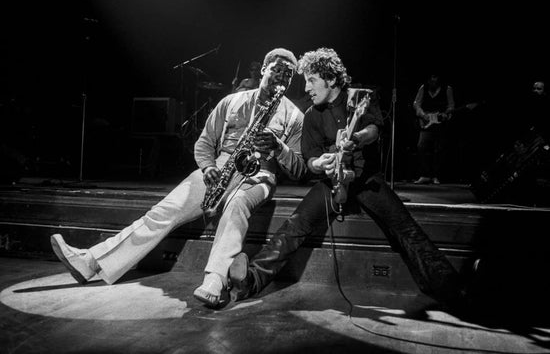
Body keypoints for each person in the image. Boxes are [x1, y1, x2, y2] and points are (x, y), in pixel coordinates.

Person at [49, 48, 307, 308]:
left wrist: (278, 148)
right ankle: (91, 262)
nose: (281, 78)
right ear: (263, 69)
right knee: (162, 212)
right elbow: (205, 143)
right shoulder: (231, 101)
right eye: (277, 70)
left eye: (288, 75)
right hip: (221, 165)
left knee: (237, 205)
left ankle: (216, 279)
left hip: (260, 174)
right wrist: (207, 168)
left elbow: (298, 169)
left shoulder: (296, 116)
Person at [227, 47, 466, 310]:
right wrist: (323, 163)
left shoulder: (360, 98)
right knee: (294, 227)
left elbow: (374, 129)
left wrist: (356, 138)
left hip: (366, 181)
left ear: (330, 79)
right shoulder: (311, 115)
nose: (306, 87)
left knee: (405, 230)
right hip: (330, 183)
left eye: (311, 80)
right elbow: (310, 159)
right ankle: (250, 280)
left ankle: (452, 290)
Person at [412, 72, 455, 185]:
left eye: (435, 78)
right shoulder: (423, 88)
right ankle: (425, 174)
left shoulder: (447, 89)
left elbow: (451, 106)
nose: (433, 81)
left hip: (440, 123)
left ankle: (436, 175)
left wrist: (447, 113)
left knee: (439, 149)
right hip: (426, 122)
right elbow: (416, 103)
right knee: (421, 146)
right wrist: (422, 115)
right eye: (431, 78)